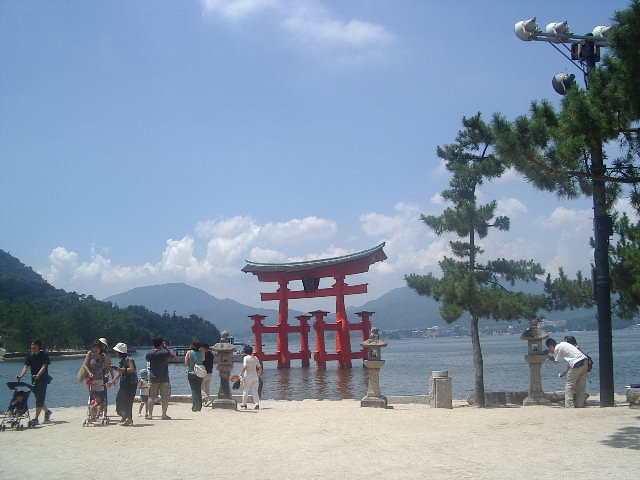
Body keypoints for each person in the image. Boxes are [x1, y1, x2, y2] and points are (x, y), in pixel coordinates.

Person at [545, 337, 589, 408]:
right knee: (581, 386)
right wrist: (550, 352)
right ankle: (579, 405)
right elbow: (560, 352)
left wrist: (550, 358)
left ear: (550, 346)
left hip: (576, 364)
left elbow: (556, 362)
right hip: (584, 361)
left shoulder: (557, 348)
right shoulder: (563, 344)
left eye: (549, 348)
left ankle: (569, 405)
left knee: (569, 385)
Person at [16, 339, 52, 424]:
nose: (32, 346)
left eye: (34, 345)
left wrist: (38, 375)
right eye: (31, 345)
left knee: (39, 398)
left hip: (43, 379)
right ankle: (47, 412)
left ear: (38, 346)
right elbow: (26, 366)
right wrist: (21, 375)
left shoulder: (44, 355)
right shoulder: (30, 356)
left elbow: (44, 366)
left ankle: (36, 419)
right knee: (38, 398)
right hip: (34, 380)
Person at [108, 342, 137, 426]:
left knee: (128, 400)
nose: (116, 353)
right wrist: (112, 381)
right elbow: (119, 373)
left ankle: (129, 418)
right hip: (124, 383)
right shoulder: (122, 361)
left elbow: (132, 369)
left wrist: (120, 369)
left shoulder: (129, 359)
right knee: (119, 399)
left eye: (117, 352)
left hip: (130, 383)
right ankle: (124, 415)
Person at [146, 337, 174, 420]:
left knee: (151, 397)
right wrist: (166, 348)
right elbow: (173, 356)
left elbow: (147, 359)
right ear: (162, 344)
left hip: (153, 378)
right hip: (164, 378)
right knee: (165, 397)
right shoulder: (165, 353)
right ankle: (164, 415)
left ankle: (150, 414)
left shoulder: (150, 353)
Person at [81, 340, 110, 416]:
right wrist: (89, 373)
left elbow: (107, 367)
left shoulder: (103, 356)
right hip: (91, 379)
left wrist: (107, 374)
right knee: (92, 397)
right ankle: (92, 414)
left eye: (97, 348)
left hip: (100, 379)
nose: (96, 350)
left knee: (100, 398)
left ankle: (98, 414)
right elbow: (84, 365)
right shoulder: (90, 354)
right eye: (94, 348)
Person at [240, 344, 262, 410]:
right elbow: (259, 366)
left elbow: (245, 366)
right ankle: (257, 404)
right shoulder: (255, 357)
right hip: (255, 375)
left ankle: (244, 404)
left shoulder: (246, 358)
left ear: (245, 351)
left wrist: (241, 373)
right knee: (255, 391)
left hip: (248, 375)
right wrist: (260, 372)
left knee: (245, 390)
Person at [185, 340, 205, 412]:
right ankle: (199, 406)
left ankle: (194, 406)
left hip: (191, 372)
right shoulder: (202, 353)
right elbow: (203, 359)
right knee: (198, 389)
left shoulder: (189, 352)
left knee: (193, 389)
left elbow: (186, 363)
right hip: (200, 372)